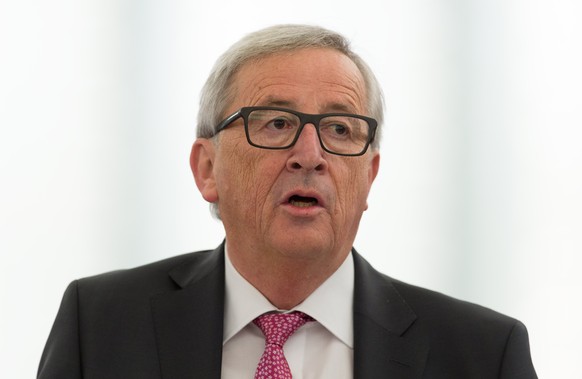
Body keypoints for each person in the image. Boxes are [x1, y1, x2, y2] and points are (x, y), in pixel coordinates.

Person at [38, 24, 537, 378]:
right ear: (208, 169)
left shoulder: (483, 354)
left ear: (368, 176)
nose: (310, 155)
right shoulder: (100, 325)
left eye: (340, 129)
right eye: (276, 123)